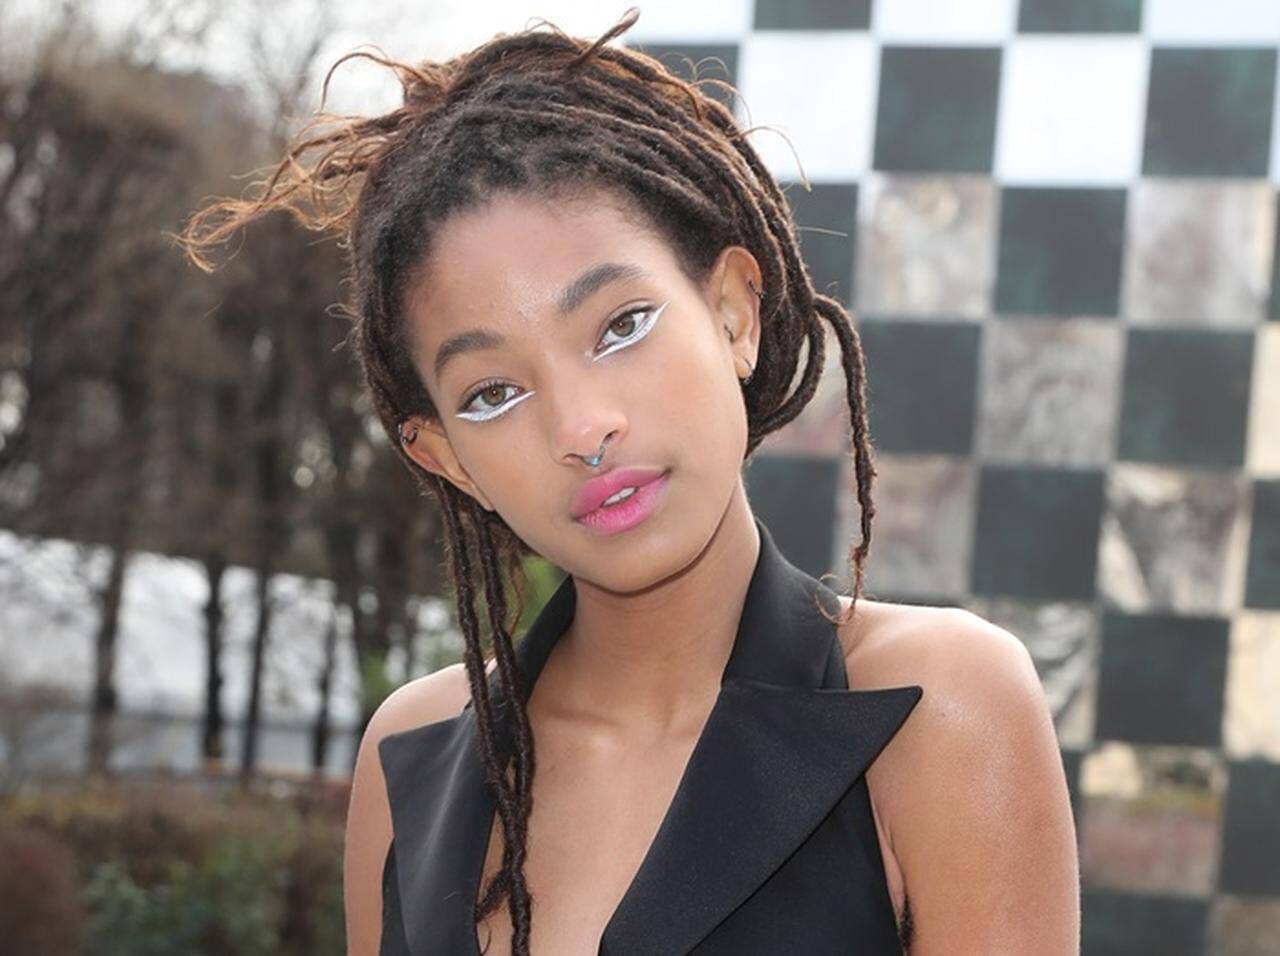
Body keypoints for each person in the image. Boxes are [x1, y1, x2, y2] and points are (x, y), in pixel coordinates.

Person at [177, 8, 1079, 954]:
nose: (581, 429)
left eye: (620, 327)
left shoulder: (940, 704)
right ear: (447, 460)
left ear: (734, 314)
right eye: (492, 393)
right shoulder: (416, 757)